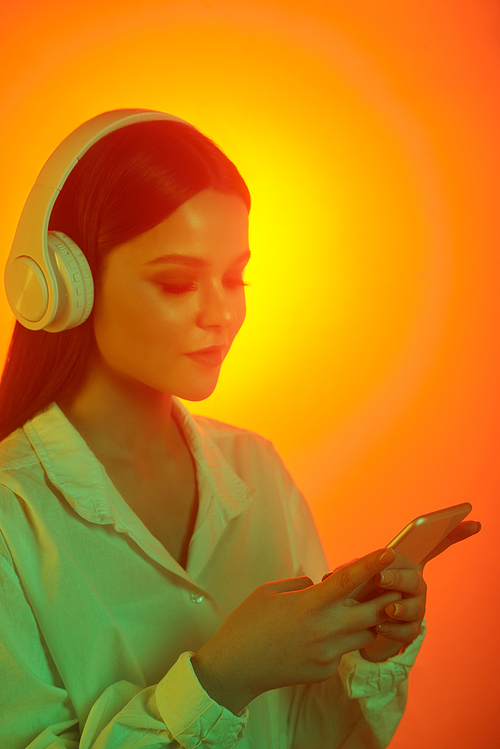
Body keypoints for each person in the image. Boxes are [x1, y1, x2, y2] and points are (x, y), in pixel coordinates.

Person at [0, 110, 480, 748]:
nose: (222, 313)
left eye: (235, 277)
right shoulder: (13, 516)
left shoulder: (257, 468)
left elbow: (310, 737)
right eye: (177, 283)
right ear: (67, 284)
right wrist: (223, 677)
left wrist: (368, 649)